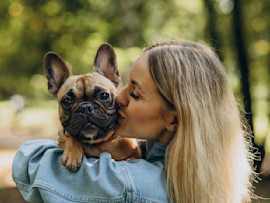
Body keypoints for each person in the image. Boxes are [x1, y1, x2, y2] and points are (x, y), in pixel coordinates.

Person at [12, 40, 255, 203]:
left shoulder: (129, 184)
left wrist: (71, 141)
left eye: (135, 93)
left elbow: (27, 161)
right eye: (125, 84)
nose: (119, 97)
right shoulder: (193, 171)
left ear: (173, 117)